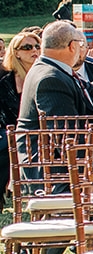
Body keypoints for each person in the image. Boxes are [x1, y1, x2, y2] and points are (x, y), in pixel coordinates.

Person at [18, 21, 93, 129]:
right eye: (81, 44)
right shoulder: (51, 79)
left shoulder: (50, 68)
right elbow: (66, 134)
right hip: (52, 145)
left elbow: (88, 88)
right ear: (72, 46)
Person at [0, 32, 39, 199]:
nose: (34, 50)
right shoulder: (6, 82)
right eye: (28, 47)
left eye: (37, 46)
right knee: (4, 148)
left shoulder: (44, 76)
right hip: (10, 130)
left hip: (39, 131)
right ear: (16, 52)